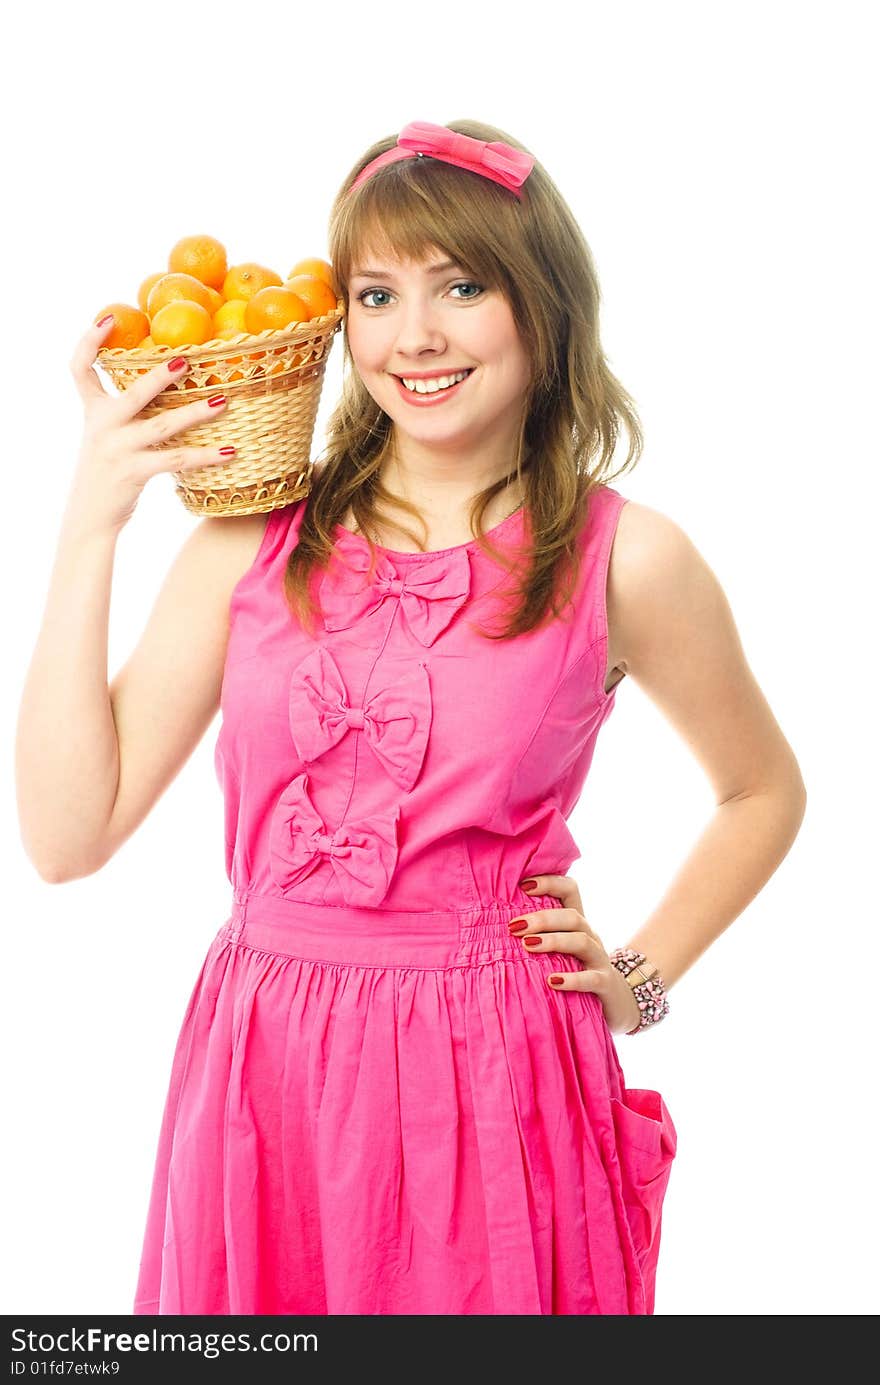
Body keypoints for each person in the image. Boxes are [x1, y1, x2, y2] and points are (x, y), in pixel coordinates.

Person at [16, 118, 807, 1317]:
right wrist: (91, 521)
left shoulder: (627, 558)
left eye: (463, 285)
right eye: (377, 293)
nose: (414, 336)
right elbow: (67, 837)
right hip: (264, 1071)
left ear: (542, 309)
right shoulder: (251, 536)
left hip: (493, 1072)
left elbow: (762, 789)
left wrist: (638, 978)